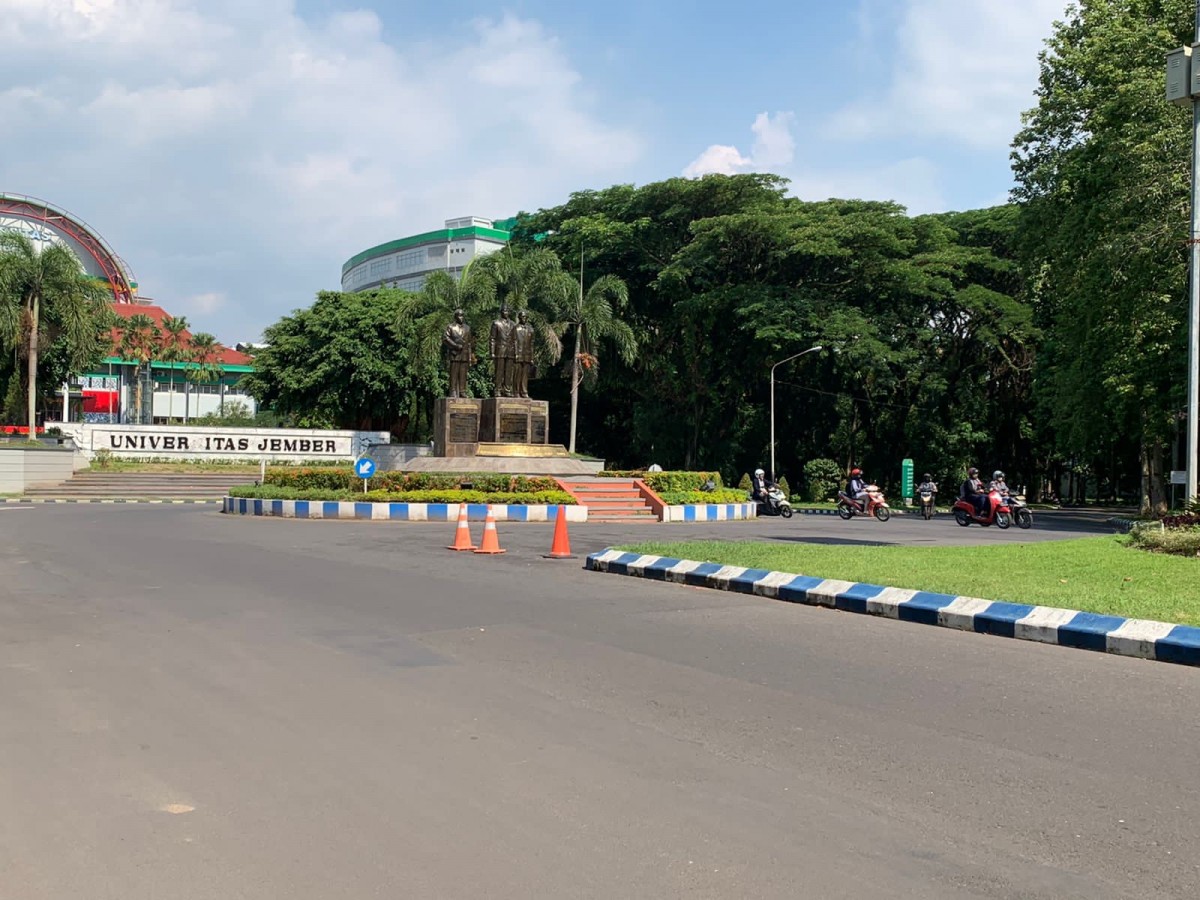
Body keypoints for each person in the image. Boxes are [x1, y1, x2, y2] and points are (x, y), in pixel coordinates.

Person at [442, 308, 473, 398]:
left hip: (465, 354)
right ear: (455, 317)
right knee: (454, 373)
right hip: (455, 354)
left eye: (462, 315)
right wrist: (455, 345)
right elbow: (445, 338)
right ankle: (452, 390)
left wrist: (470, 357)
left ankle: (462, 391)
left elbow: (470, 343)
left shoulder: (467, 328)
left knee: (463, 374)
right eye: (459, 315)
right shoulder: (451, 327)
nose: (461, 317)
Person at [489, 306, 515, 397]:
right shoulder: (496, 323)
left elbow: (515, 339)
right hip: (499, 350)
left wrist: (516, 352)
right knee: (499, 371)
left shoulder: (513, 324)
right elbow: (492, 338)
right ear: (501, 312)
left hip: (510, 351)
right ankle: (497, 389)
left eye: (507, 310)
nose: (506, 312)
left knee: (508, 372)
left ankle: (507, 389)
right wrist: (492, 352)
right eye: (504, 310)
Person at [512, 309, 534, 398]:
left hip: (527, 355)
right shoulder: (515, 328)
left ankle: (524, 391)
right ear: (519, 317)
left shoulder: (531, 329)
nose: (523, 318)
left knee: (525, 375)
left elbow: (532, 343)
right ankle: (516, 391)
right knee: (517, 374)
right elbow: (514, 342)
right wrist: (516, 353)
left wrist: (532, 357)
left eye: (525, 317)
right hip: (518, 354)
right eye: (522, 316)